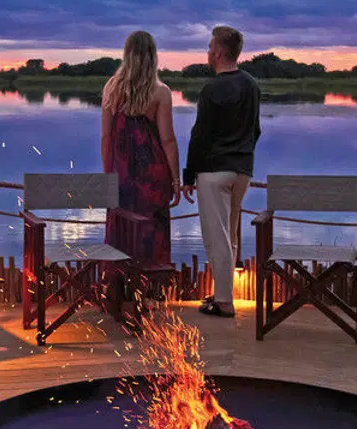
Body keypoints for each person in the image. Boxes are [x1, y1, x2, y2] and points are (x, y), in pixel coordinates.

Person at [182, 25, 261, 318]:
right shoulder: (251, 85)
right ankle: (222, 293)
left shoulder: (211, 89)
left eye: (209, 46)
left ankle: (225, 302)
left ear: (218, 52)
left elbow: (200, 135)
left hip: (214, 171)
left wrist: (189, 176)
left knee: (217, 236)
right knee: (229, 234)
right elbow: (255, 129)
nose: (207, 52)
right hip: (242, 170)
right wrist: (244, 157)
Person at [101, 31, 181, 268]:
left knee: (121, 231)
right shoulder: (161, 91)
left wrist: (108, 174)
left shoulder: (111, 89)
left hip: (121, 175)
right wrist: (176, 180)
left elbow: (106, 136)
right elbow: (167, 140)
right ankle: (150, 292)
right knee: (151, 232)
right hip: (153, 176)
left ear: (127, 55)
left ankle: (118, 289)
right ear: (152, 56)